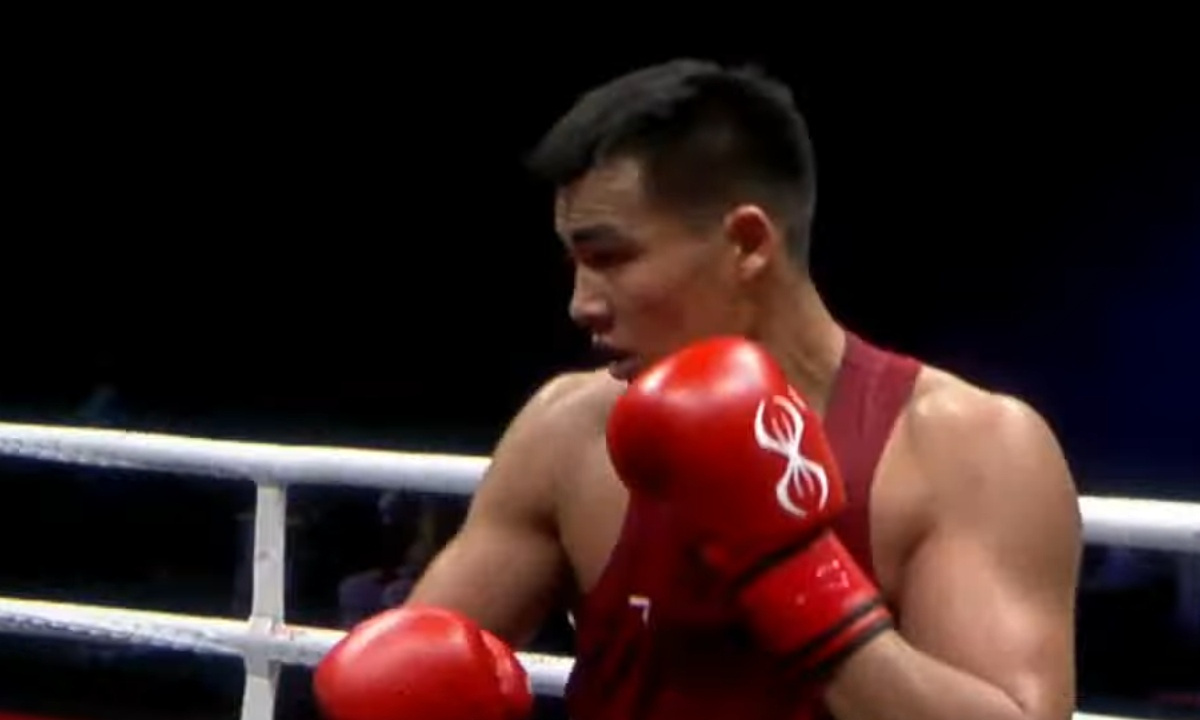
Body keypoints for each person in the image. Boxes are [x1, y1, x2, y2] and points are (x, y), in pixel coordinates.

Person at [313, 59, 1082, 720]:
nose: (580, 304)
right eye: (573, 262)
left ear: (746, 243)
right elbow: (414, 672)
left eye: (610, 257)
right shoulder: (567, 432)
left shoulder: (966, 447)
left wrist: (794, 578)